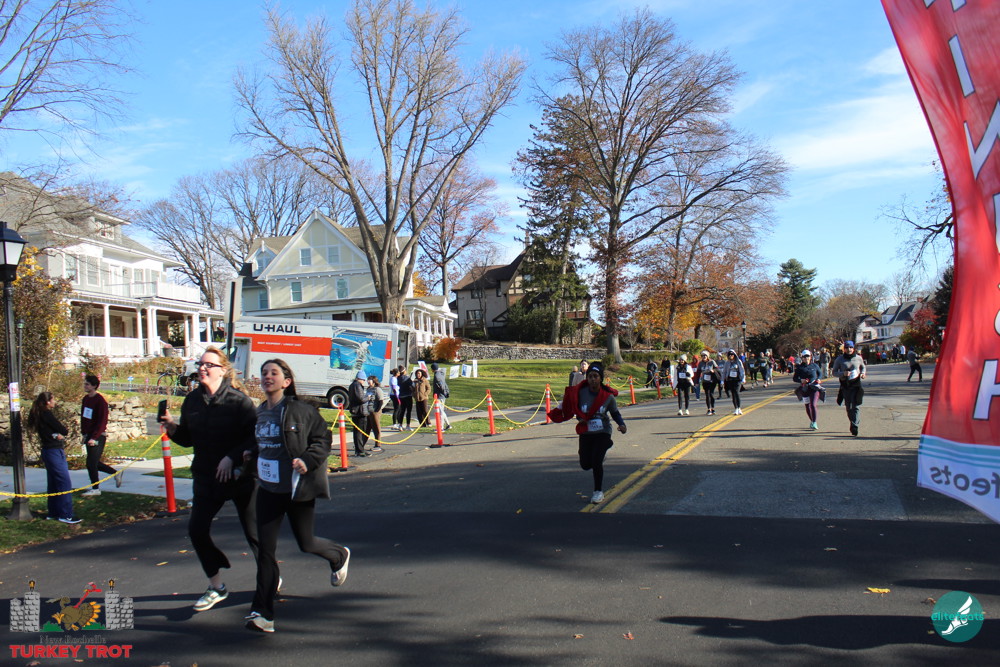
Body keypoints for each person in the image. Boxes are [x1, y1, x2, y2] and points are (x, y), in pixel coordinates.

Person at [245, 359, 350, 634]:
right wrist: (249, 454)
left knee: (306, 543)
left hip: (296, 489)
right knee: (265, 551)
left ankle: (338, 555)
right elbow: (261, 445)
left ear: (286, 381)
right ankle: (263, 613)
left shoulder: (301, 411)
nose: (267, 377)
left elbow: (322, 440)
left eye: (274, 373)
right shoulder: (260, 412)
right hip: (268, 490)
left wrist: (307, 460)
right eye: (264, 373)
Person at [163, 346, 259, 613]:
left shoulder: (239, 401)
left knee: (255, 535)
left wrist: (232, 458)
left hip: (239, 478)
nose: (202, 368)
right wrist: (172, 428)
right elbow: (188, 438)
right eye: (200, 364)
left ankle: (269, 576)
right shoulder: (192, 401)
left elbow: (254, 437)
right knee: (197, 531)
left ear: (223, 370)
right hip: (206, 477)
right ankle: (216, 586)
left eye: (209, 365)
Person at [547, 362, 626, 504]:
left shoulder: (607, 396)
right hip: (586, 431)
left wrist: (621, 424)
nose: (593, 379)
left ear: (600, 378)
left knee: (596, 461)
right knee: (585, 464)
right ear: (587, 378)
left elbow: (615, 412)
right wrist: (579, 418)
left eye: (596, 376)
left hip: (602, 432)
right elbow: (573, 408)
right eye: (590, 376)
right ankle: (603, 450)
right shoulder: (579, 393)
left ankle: (598, 491)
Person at [29, 392, 80, 524]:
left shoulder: (39, 415)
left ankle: (53, 512)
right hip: (54, 451)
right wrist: (58, 434)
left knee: (53, 483)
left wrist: (55, 434)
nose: (55, 401)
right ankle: (66, 514)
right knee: (64, 482)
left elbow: (48, 431)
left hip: (47, 450)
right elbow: (63, 430)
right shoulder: (47, 414)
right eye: (53, 399)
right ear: (48, 402)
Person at [80, 375, 120, 496]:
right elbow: (84, 417)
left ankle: (96, 488)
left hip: (98, 436)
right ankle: (115, 473)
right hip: (88, 434)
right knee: (93, 463)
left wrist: (94, 437)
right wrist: (84, 434)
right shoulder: (86, 399)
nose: (85, 386)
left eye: (87, 384)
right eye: (85, 384)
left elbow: (102, 421)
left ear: (94, 386)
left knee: (91, 463)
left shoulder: (100, 401)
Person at [832, 340, 867, 436]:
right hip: (845, 386)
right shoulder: (839, 359)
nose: (849, 349)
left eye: (851, 347)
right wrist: (843, 373)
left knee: (856, 406)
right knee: (849, 407)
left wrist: (863, 373)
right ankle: (852, 422)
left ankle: (855, 425)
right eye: (847, 348)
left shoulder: (858, 358)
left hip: (856, 385)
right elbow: (834, 372)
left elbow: (863, 367)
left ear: (853, 348)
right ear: (844, 349)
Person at [793, 350, 824, 430]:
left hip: (814, 387)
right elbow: (795, 378)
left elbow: (820, 373)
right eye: (804, 357)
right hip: (805, 389)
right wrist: (801, 380)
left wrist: (819, 379)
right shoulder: (799, 368)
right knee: (807, 406)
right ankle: (812, 420)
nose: (806, 358)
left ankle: (814, 422)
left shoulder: (814, 365)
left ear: (810, 357)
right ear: (802, 358)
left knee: (813, 404)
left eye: (807, 356)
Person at [348, 370, 370, 457]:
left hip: (355, 410)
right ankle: (360, 450)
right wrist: (368, 397)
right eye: (363, 380)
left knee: (358, 431)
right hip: (359, 411)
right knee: (360, 431)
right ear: (360, 378)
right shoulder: (357, 385)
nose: (364, 381)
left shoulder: (352, 385)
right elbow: (361, 399)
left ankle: (359, 449)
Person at [721, 349, 746, 415]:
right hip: (730, 380)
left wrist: (743, 378)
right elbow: (724, 372)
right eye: (729, 355)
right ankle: (736, 408)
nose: (731, 356)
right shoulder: (727, 363)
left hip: (737, 380)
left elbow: (742, 370)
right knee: (733, 394)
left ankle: (739, 407)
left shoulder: (738, 362)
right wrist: (722, 380)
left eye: (732, 354)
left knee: (736, 392)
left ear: (734, 355)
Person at [366, 376, 386, 453]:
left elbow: (381, 401)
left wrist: (377, 410)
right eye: (368, 380)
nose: (368, 381)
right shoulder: (368, 389)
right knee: (367, 428)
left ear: (374, 381)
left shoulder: (377, 389)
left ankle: (378, 445)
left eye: (370, 380)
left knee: (376, 428)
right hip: (368, 411)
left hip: (375, 411)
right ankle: (361, 444)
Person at [695, 351, 720, 415]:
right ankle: (709, 409)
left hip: (712, 381)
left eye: (705, 355)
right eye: (702, 356)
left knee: (711, 394)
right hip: (705, 381)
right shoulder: (700, 363)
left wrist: (713, 371)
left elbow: (718, 370)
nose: (704, 357)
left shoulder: (712, 362)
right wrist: (696, 382)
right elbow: (698, 373)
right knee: (707, 394)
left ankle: (713, 408)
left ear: (708, 356)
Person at [431, 362, 452, 429]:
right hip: (441, 395)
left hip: (440, 395)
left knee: (440, 412)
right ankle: (448, 424)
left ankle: (441, 427)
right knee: (441, 411)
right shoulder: (441, 374)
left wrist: (444, 392)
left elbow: (441, 386)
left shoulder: (437, 376)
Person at [397, 365, 414, 430]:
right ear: (404, 371)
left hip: (401, 395)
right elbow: (412, 385)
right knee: (408, 411)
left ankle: (400, 425)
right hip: (408, 395)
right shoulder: (407, 378)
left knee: (402, 410)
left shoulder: (398, 378)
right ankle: (408, 425)